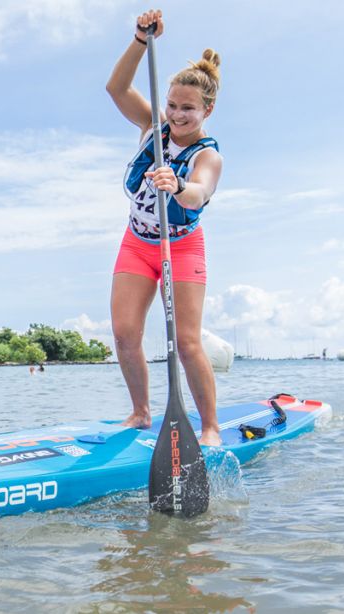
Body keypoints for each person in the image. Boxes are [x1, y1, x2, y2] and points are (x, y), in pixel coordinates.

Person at [106, 9, 223, 446]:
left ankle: (210, 427)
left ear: (207, 109)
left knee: (187, 341)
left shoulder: (208, 155)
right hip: (137, 244)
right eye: (172, 105)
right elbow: (116, 89)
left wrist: (177, 185)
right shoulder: (151, 126)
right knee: (124, 332)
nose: (176, 115)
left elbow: (200, 193)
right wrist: (139, 40)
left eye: (188, 109)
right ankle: (140, 412)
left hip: (183, 248)